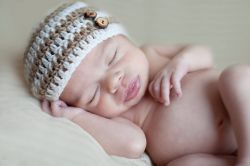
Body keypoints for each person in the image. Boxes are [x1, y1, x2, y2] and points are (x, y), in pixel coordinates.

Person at [24, 2, 250, 166]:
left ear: (125, 38)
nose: (114, 82)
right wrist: (75, 117)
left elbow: (205, 54)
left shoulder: (152, 54)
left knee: (236, 76)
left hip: (241, 111)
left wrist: (182, 62)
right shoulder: (117, 118)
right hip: (222, 156)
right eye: (93, 94)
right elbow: (133, 145)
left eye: (112, 57)